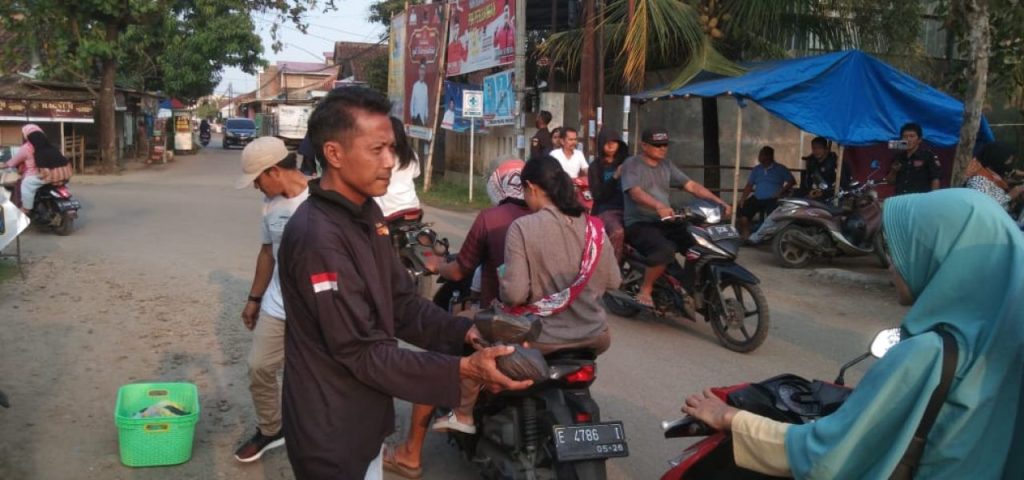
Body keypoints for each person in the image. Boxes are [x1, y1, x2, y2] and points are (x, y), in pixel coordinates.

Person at [276, 86, 529, 480]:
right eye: (377, 150)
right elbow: (360, 352)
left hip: (365, 414)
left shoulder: (367, 211)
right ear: (334, 154)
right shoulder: (316, 238)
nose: (390, 161)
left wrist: (468, 334)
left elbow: (401, 303)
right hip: (330, 426)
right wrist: (465, 370)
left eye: (392, 149)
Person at [682, 188, 1023, 479]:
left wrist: (731, 418)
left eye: (903, 252)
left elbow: (826, 455)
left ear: (941, 257)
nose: (892, 266)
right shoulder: (1006, 351)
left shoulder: (928, 354)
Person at [432, 155, 621, 434]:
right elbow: (614, 281)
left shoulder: (523, 227)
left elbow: (514, 294)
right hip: (594, 337)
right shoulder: (594, 228)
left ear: (531, 187)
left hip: (540, 339)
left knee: (463, 322)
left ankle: (463, 414)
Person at [385, 159, 531, 478]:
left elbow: (462, 269)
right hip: (558, 320)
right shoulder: (557, 217)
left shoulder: (492, 218)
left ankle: (410, 454)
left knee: (441, 349)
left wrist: (438, 266)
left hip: (503, 315)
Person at [231, 137, 310, 463]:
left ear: (274, 171)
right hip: (278, 305)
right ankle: (271, 429)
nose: (255, 188)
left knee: (313, 376)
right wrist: (254, 299)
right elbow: (267, 254)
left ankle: (319, 433)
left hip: (317, 310)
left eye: (257, 180)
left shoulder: (321, 199)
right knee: (259, 367)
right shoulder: (271, 204)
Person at [622, 127, 732, 308]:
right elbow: (635, 192)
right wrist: (658, 205)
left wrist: (719, 202)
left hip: (667, 221)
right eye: (657, 145)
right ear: (644, 145)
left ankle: (689, 285)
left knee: (701, 244)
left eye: (665, 145)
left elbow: (692, 186)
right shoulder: (632, 164)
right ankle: (646, 288)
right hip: (640, 223)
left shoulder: (666, 165)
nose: (662, 148)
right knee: (665, 251)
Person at [0, 124, 72, 214]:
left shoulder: (27, 148)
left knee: (26, 184)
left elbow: (12, 162)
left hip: (41, 175)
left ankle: (26, 208)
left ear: (26, 136)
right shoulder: (50, 145)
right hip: (61, 175)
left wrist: (5, 165)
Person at [737, 146, 795, 240]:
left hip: (772, 199)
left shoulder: (780, 168)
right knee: (742, 211)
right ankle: (746, 235)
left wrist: (780, 192)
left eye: (762, 154)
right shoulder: (757, 169)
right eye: (760, 154)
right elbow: (749, 185)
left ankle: (769, 237)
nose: (760, 157)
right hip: (757, 198)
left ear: (769, 156)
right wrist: (743, 198)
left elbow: (792, 181)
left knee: (773, 217)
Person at [589, 128, 629, 262]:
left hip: (629, 208)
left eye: (614, 142)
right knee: (618, 232)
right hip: (606, 210)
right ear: (601, 145)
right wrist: (615, 177)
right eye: (607, 142)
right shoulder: (595, 167)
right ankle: (612, 270)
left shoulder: (627, 162)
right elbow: (598, 195)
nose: (611, 145)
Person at [374, 117, 421, 221]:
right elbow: (416, 174)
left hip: (388, 211)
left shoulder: (381, 156)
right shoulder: (412, 155)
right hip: (413, 207)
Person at [964, 141, 1022, 213]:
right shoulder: (978, 179)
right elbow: (982, 206)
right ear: (997, 158)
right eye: (1008, 160)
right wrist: (1010, 196)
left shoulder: (993, 176)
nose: (1009, 163)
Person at [885, 123, 941, 195]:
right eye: (905, 137)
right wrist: (893, 171)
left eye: (912, 136)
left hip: (919, 200)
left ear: (919, 139)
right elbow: (890, 182)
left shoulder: (928, 156)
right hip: (901, 199)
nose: (908, 139)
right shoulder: (897, 157)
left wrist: (933, 198)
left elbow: (935, 179)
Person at [795, 136, 852, 201]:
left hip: (833, 197)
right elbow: (807, 182)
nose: (816, 151)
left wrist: (824, 193)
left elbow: (843, 186)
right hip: (814, 195)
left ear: (826, 149)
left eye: (819, 148)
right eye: (814, 148)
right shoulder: (811, 163)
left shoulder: (836, 163)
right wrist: (809, 192)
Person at [409, 61, 430, 126]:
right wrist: (412, 114)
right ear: (419, 71)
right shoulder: (415, 85)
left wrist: (426, 115)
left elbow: (426, 102)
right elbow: (412, 101)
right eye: (421, 69)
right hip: (415, 116)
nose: (422, 72)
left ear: (425, 72)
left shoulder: (426, 86)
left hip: (422, 117)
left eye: (423, 70)